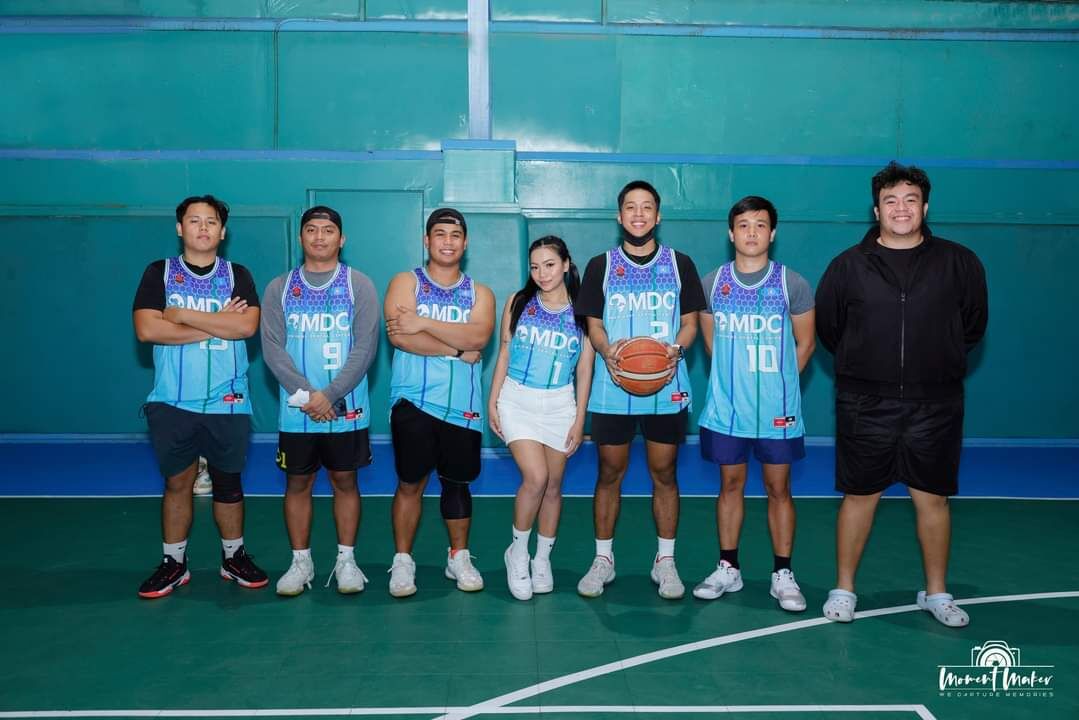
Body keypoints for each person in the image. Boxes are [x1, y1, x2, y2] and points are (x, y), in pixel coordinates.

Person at [815, 162, 988, 627]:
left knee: (932, 498)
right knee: (859, 496)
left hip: (936, 403)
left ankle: (936, 593)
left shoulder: (960, 262)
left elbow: (972, 325)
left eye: (910, 199)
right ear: (876, 209)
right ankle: (844, 589)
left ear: (925, 206)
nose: (901, 208)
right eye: (891, 200)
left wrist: (937, 358)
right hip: (863, 402)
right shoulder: (847, 265)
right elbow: (830, 328)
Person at [573, 180, 706, 600]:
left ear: (658, 215)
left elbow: (690, 323)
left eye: (647, 207)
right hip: (614, 385)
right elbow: (592, 324)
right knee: (609, 472)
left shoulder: (680, 263)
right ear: (619, 216)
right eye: (630, 207)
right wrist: (607, 350)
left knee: (664, 473)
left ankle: (665, 561)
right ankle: (603, 559)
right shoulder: (601, 265)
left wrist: (675, 351)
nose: (638, 214)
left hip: (665, 383)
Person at [132, 194, 267, 598]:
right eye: (194, 220)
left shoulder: (237, 274)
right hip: (172, 401)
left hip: (228, 400)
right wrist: (218, 322)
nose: (203, 227)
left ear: (223, 232)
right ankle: (174, 562)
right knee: (178, 483)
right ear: (180, 228)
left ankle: (233, 557)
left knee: (229, 484)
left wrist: (184, 315)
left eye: (211, 221)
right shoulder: (159, 273)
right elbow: (148, 330)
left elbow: (246, 328)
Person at [692, 196, 815, 613]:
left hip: (777, 412)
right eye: (743, 225)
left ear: (772, 233)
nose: (751, 232)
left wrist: (777, 385)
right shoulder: (711, 284)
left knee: (779, 488)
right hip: (727, 411)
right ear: (731, 233)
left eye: (760, 225)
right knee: (730, 486)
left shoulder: (791, 283)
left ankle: (783, 572)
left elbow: (805, 344)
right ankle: (729, 566)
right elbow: (710, 345)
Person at [260, 206, 380, 596]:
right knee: (298, 482)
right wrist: (309, 395)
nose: (319, 237)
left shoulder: (357, 285)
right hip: (298, 410)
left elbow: (364, 347)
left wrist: (329, 395)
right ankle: (301, 562)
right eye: (311, 230)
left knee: (346, 480)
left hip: (346, 407)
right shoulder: (280, 287)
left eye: (328, 230)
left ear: (341, 239)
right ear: (300, 238)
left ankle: (346, 559)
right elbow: (272, 348)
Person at [383, 208, 495, 597]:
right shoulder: (405, 282)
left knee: (457, 484)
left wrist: (425, 323)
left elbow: (479, 337)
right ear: (427, 241)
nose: (448, 241)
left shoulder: (480, 292)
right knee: (409, 483)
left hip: (461, 405)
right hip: (413, 400)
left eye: (455, 235)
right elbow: (400, 336)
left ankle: (458, 556)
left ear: (465, 243)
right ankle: (402, 562)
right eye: (440, 234)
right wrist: (455, 347)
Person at [488, 236, 596, 600]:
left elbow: (584, 369)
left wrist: (580, 419)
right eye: (534, 267)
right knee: (535, 478)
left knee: (554, 486)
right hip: (517, 399)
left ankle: (542, 559)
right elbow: (504, 352)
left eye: (549, 265)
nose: (541, 273)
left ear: (566, 264)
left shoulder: (584, 311)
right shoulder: (519, 302)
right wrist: (494, 399)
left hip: (561, 405)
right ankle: (516, 553)